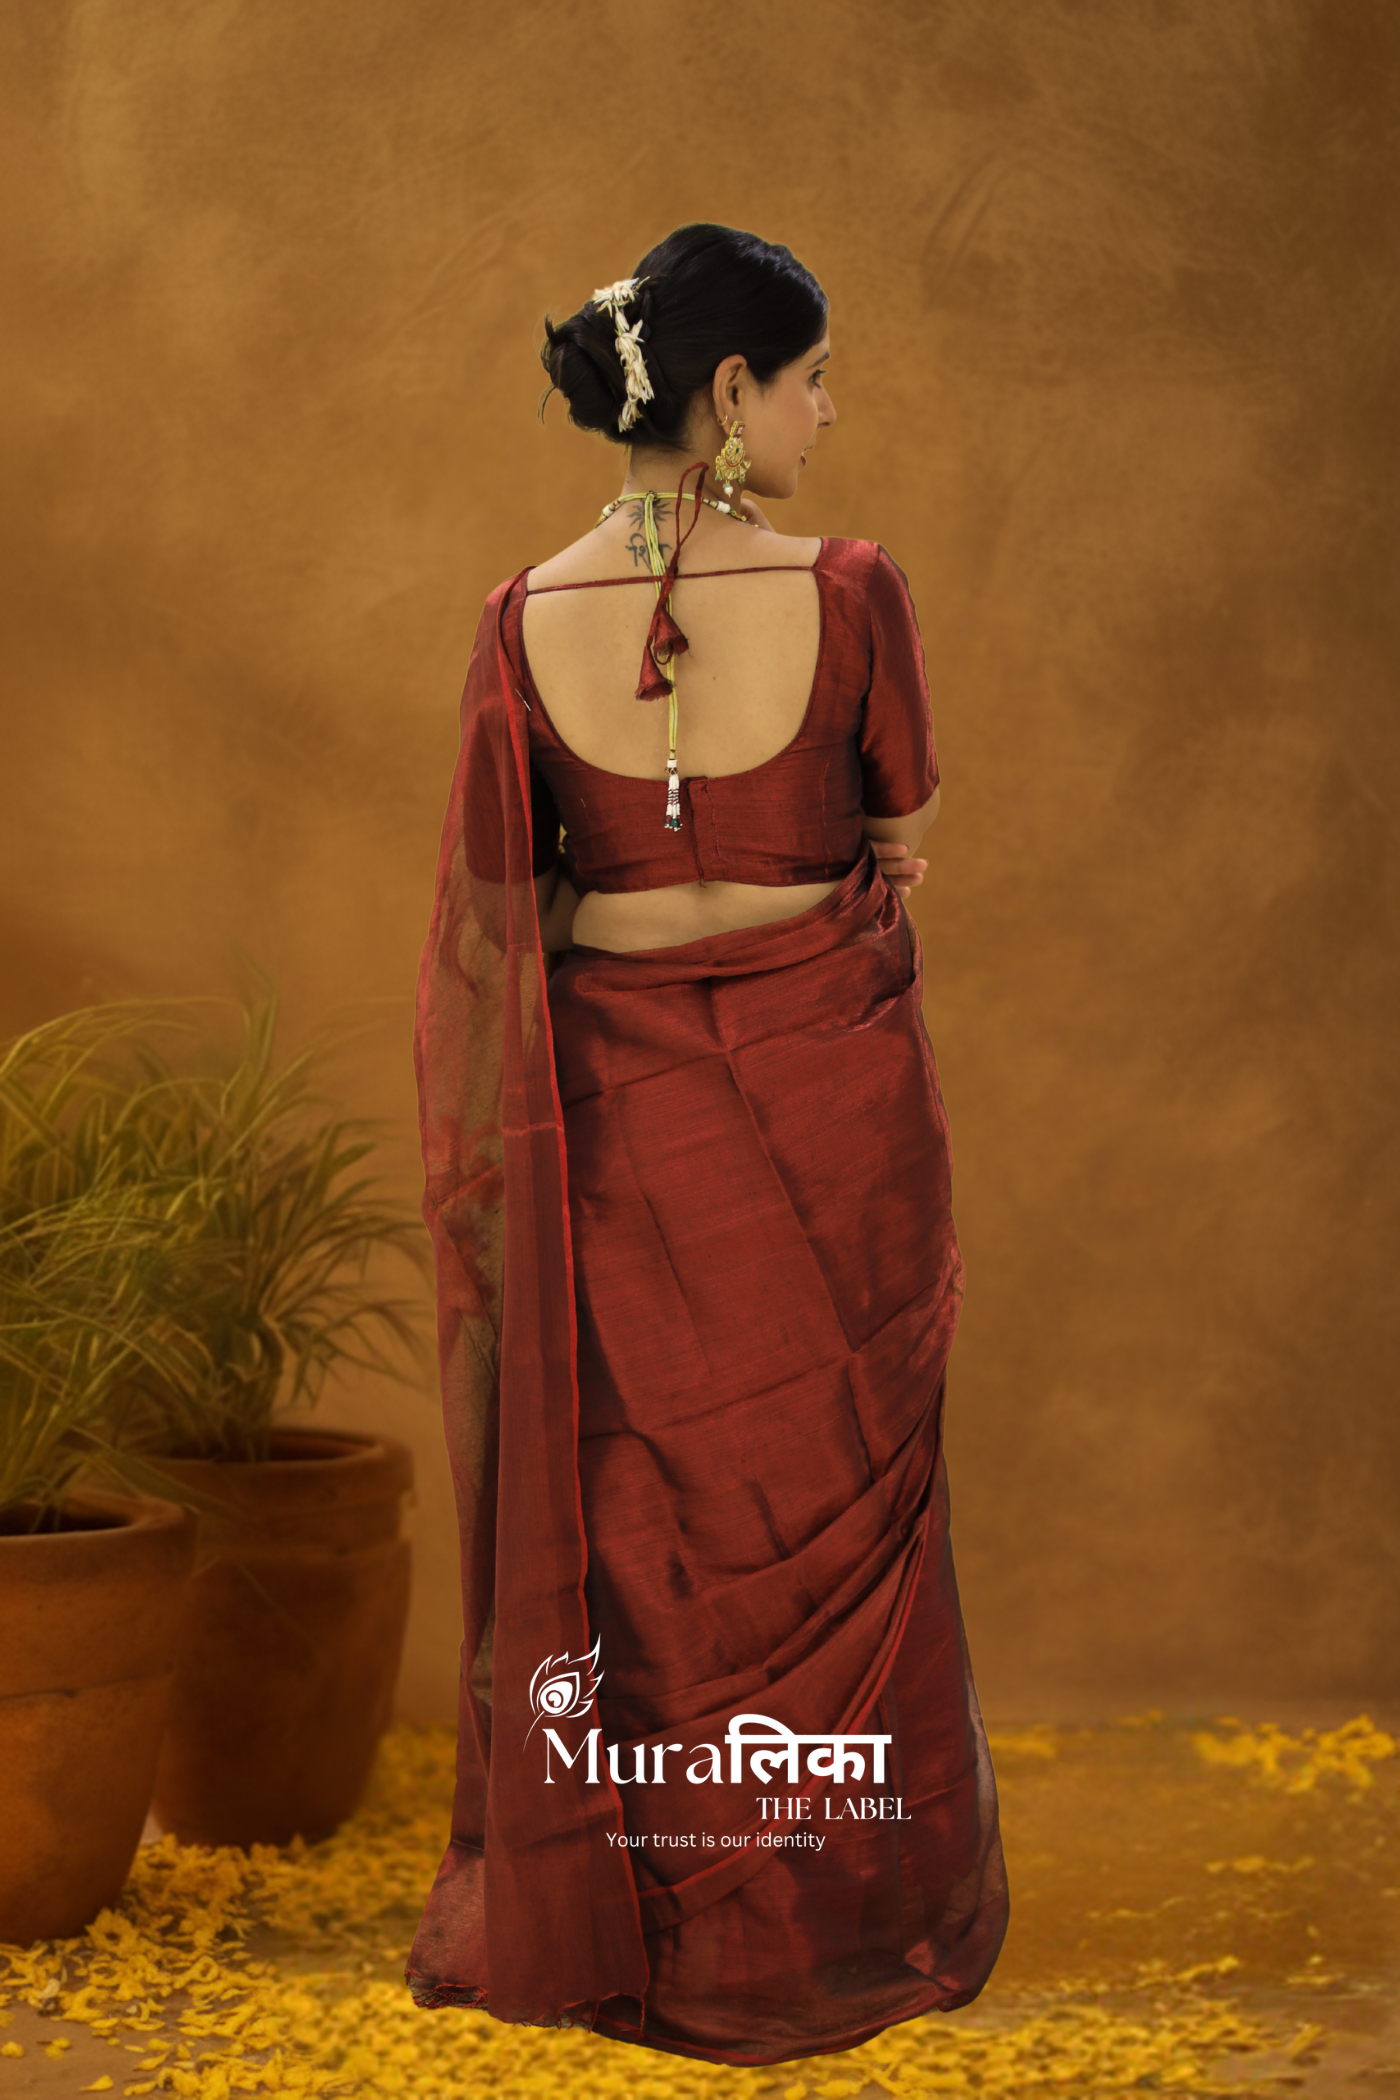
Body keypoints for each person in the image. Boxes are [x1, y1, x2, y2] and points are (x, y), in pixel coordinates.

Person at [408, 222, 1009, 2070]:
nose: (830, 413)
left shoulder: (522, 614)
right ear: (734, 390)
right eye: (816, 380)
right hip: (826, 1107)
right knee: (823, 1491)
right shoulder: (854, 589)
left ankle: (651, 1919)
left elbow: (510, 903)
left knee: (648, 1515)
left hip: (617, 1120)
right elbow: (900, 833)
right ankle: (827, 1918)